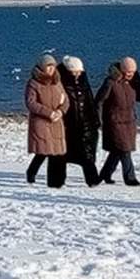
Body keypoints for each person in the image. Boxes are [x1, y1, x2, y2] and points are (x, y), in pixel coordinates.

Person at [97, 57, 140, 185]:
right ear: (122, 70)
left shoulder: (132, 82)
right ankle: (130, 178)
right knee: (125, 150)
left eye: (133, 72)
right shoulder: (111, 82)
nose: (131, 74)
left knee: (117, 151)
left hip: (129, 121)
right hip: (114, 122)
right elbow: (99, 101)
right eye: (128, 72)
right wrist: (98, 119)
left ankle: (104, 174)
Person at [24, 55, 71, 187]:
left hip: (57, 120)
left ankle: (57, 181)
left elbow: (66, 100)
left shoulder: (57, 82)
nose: (51, 69)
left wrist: (61, 111)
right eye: (48, 66)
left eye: (52, 66)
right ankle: (32, 173)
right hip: (41, 121)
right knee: (44, 151)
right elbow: (31, 103)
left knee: (56, 152)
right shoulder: (33, 83)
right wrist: (48, 113)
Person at [59, 56, 101, 187]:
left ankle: (93, 181)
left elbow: (89, 101)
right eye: (74, 72)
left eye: (79, 72)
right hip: (68, 125)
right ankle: (58, 180)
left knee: (87, 155)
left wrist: (95, 120)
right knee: (62, 155)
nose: (77, 74)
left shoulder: (84, 82)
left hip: (85, 125)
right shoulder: (60, 83)